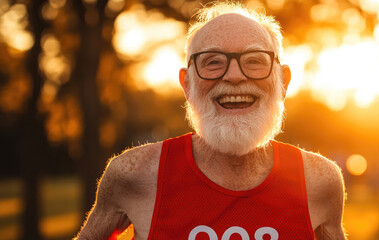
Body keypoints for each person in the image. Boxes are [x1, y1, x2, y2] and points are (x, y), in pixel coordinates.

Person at [76, 2, 346, 240]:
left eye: (254, 61)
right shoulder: (135, 174)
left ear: (283, 81)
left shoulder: (320, 181)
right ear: (187, 85)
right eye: (213, 62)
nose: (234, 76)